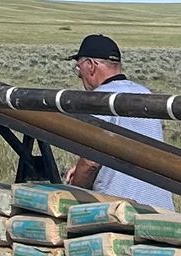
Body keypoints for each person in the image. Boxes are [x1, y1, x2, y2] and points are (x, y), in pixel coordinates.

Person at [64, 32, 171, 212]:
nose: (79, 76)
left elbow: (91, 163)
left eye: (78, 69)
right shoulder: (146, 94)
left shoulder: (99, 99)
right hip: (162, 208)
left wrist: (75, 191)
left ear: (90, 66)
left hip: (122, 212)